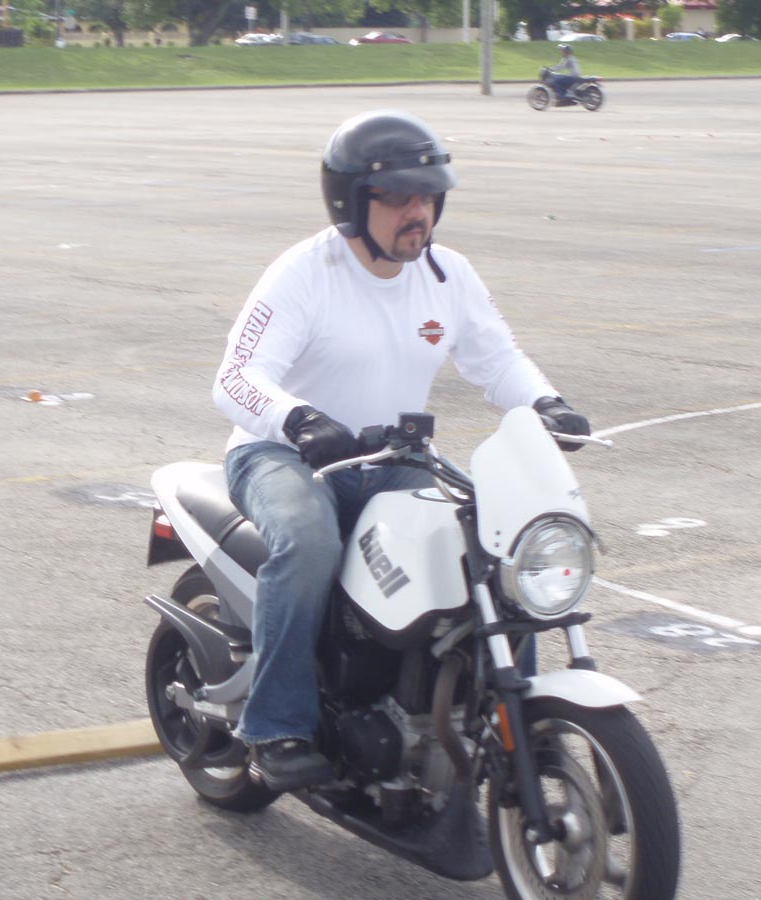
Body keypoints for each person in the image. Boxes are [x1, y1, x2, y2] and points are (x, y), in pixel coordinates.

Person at [212, 109, 591, 793]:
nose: (418, 211)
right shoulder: (304, 273)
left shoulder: (449, 275)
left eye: (428, 196)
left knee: (492, 544)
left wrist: (546, 403)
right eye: (397, 197)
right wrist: (297, 419)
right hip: (284, 455)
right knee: (308, 540)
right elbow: (236, 377)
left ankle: (516, 719)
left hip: (391, 459)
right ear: (352, 202)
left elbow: (497, 360)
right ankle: (275, 727)